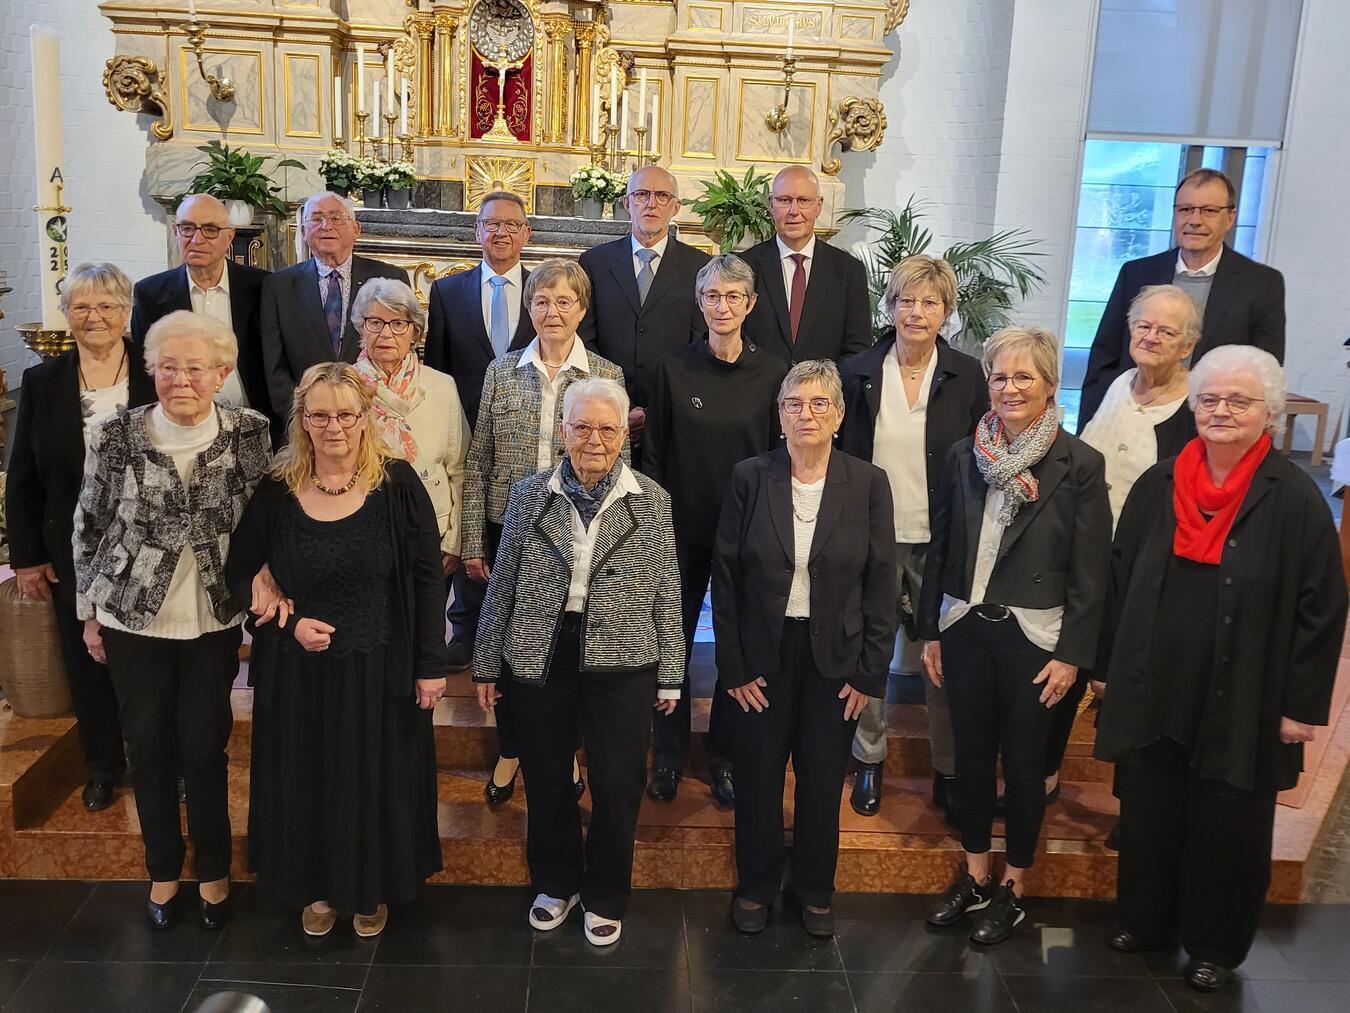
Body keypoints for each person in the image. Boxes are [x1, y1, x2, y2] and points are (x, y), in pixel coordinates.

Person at [1093, 346, 1347, 993]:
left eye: (1239, 400)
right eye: (1209, 399)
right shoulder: (1159, 484)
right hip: (1158, 681)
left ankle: (1213, 942)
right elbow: (1118, 579)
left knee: (1227, 822)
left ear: (1269, 412)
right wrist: (1106, 667)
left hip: (1247, 692)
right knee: (1150, 806)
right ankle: (1145, 919)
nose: (1221, 411)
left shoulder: (1292, 499)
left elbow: (1323, 606)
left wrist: (1300, 704)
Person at [226, 362, 447, 939]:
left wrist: (431, 666)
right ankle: (318, 888)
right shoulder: (276, 492)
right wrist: (282, 623)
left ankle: (370, 888)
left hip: (381, 667)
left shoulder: (397, 485)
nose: (333, 427)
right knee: (309, 782)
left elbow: (427, 581)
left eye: (345, 414)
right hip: (299, 672)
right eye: (319, 415)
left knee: (373, 783)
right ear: (301, 419)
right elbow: (238, 573)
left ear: (365, 418)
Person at [71, 311, 272, 930]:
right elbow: (90, 522)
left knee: (203, 747)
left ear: (222, 372)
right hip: (131, 614)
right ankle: (163, 868)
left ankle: (213, 869)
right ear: (150, 370)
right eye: (168, 367)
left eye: (195, 367)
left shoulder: (250, 433)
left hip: (211, 615)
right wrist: (88, 611)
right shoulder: (116, 433)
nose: (181, 379)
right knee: (150, 747)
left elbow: (265, 520)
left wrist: (265, 575)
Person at [472, 377, 683, 947]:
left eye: (606, 429)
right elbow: (504, 585)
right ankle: (556, 882)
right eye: (582, 426)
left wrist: (670, 672)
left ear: (624, 435)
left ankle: (606, 892)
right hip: (542, 653)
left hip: (623, 661)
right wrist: (488, 662)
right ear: (563, 430)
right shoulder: (528, 493)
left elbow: (666, 590)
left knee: (617, 782)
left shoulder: (651, 499)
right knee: (545, 778)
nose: (594, 439)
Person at [918, 326, 1110, 946]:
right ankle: (976, 875)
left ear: (1050, 386)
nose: (1009, 387)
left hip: (1036, 637)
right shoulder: (960, 454)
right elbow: (941, 547)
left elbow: (1090, 570)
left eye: (1023, 376)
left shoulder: (1078, 463)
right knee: (970, 761)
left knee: (1025, 769)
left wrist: (1073, 654)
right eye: (999, 376)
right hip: (966, 625)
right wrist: (931, 631)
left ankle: (1016, 886)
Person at [712, 360, 897, 938]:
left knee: (820, 782)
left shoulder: (868, 483)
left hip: (834, 663)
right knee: (760, 778)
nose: (806, 414)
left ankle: (815, 889)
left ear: (839, 416)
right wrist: (734, 664)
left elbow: (882, 582)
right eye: (795, 403)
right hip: (762, 658)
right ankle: (757, 886)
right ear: (780, 415)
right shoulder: (750, 476)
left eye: (820, 404)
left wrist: (869, 675)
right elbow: (726, 574)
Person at [1031, 284, 1202, 827]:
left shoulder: (1196, 407)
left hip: (1152, 566)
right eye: (1143, 326)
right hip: (1086, 552)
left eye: (1166, 331)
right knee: (1066, 664)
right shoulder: (1112, 384)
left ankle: (1136, 804)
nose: (1150, 337)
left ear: (1187, 345)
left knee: (1133, 677)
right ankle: (1044, 774)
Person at [462, 258, 624, 807]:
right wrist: (470, 540)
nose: (552, 312)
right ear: (528, 308)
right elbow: (478, 457)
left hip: (576, 533)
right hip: (508, 527)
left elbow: (620, 463)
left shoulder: (605, 374)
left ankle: (572, 750)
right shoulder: (502, 370)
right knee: (511, 646)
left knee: (567, 648)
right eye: (541, 301)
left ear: (582, 309)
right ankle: (513, 749)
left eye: (564, 302)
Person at [835, 256, 987, 821]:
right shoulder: (857, 370)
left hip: (940, 537)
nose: (916, 312)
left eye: (929, 302)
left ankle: (947, 765)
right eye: (905, 300)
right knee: (870, 649)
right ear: (890, 306)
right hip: (873, 535)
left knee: (940, 656)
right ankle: (868, 755)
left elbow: (983, 453)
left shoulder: (969, 374)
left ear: (947, 311)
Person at [6, 263, 155, 813]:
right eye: (81, 307)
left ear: (125, 311)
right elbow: (22, 474)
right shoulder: (43, 381)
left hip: (150, 543)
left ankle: (158, 761)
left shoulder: (155, 368)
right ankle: (103, 765)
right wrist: (26, 556)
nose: (94, 317)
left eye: (106, 306)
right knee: (86, 660)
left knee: (150, 662)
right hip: (74, 548)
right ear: (67, 315)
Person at [640, 254, 786, 808]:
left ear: (749, 304)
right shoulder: (672, 368)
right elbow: (653, 458)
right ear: (699, 304)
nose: (722, 307)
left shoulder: (774, 373)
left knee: (736, 649)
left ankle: (726, 756)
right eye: (711, 297)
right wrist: (653, 530)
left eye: (733, 297)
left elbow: (781, 459)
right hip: (679, 532)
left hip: (748, 537)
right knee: (670, 646)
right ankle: (670, 754)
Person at [1077, 168, 1285, 429]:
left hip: (1211, 426)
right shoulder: (1137, 273)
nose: (1195, 220)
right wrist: (1088, 426)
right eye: (1185, 209)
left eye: (1208, 211)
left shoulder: (1261, 283)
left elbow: (1267, 371)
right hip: (1132, 418)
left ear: (1230, 217)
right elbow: (1103, 357)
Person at [423, 190, 536, 670]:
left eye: (512, 224)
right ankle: (465, 628)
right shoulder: (449, 292)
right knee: (470, 530)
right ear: (477, 232)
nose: (501, 232)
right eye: (491, 224)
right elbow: (439, 368)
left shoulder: (545, 290)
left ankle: (518, 629)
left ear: (527, 234)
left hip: (524, 439)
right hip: (464, 428)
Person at [578, 165, 710, 464]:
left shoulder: (699, 267)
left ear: (676, 206)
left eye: (662, 196)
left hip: (672, 420)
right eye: (642, 195)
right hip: (603, 419)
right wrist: (617, 405)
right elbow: (585, 341)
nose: (651, 204)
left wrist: (653, 411)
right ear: (626, 203)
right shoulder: (594, 263)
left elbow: (700, 344)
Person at [130, 194, 278, 443]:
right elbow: (145, 369)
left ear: (229, 236)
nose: (196, 239)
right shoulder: (150, 294)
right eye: (187, 228)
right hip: (181, 426)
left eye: (210, 229)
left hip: (254, 424)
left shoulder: (262, 286)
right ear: (176, 232)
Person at [351, 278, 469, 582]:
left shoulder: (441, 385)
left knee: (425, 629)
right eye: (375, 322)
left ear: (415, 332)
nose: (386, 333)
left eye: (398, 323)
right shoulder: (343, 385)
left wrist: (454, 540)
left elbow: (459, 469)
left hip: (431, 532)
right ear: (360, 328)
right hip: (359, 531)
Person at [260, 191, 410, 422]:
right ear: (302, 232)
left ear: (356, 230)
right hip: (306, 421)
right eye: (316, 218)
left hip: (376, 418)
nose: (326, 226)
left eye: (336, 217)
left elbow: (399, 351)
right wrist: (303, 416)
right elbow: (274, 367)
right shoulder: (278, 287)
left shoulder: (390, 278)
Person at [739, 166, 871, 365]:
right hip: (758, 391)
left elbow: (858, 348)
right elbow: (734, 337)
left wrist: (825, 389)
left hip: (824, 393)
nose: (794, 211)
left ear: (818, 206)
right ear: (771, 205)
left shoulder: (848, 271)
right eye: (784, 200)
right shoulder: (745, 267)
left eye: (804, 201)